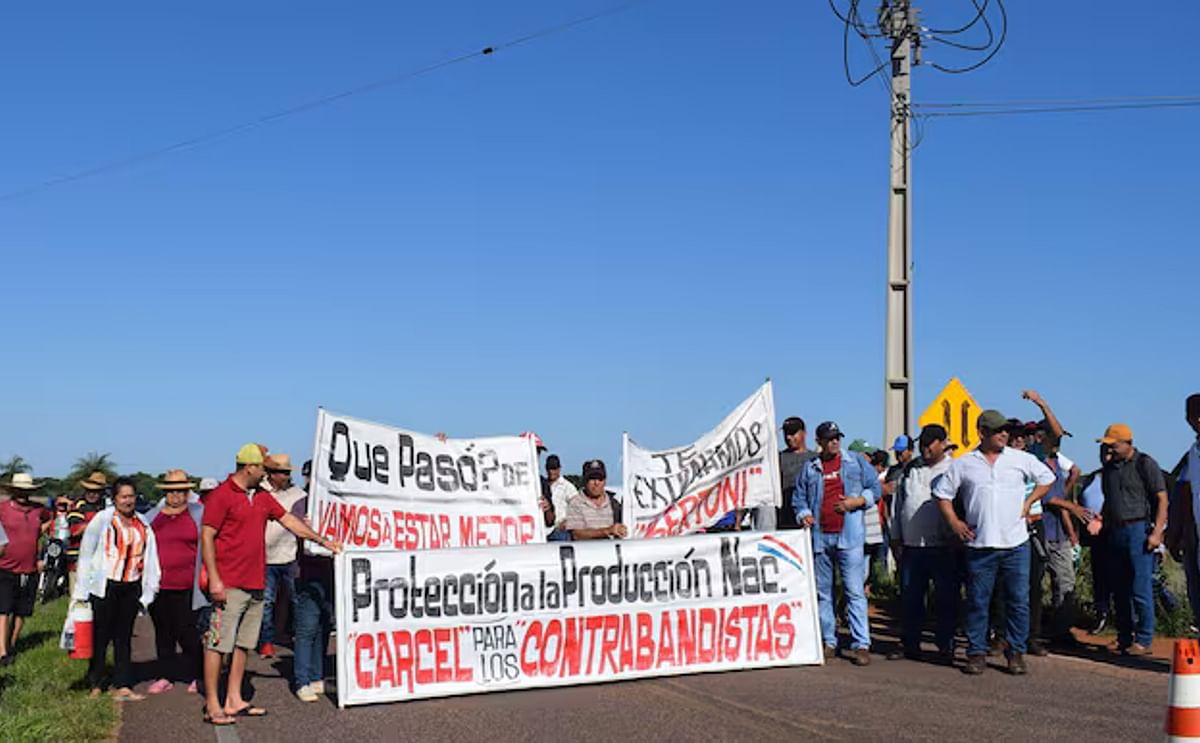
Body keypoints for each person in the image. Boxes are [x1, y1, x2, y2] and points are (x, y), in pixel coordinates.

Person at [200, 444, 342, 726]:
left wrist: (322, 540)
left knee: (243, 645)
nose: (266, 473)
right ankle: (213, 704)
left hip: (255, 580)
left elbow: (290, 521)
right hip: (228, 582)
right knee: (217, 644)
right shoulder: (222, 495)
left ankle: (234, 698)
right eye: (263, 468)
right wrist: (214, 578)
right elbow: (207, 537)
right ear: (249, 467)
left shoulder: (262, 497)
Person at [935, 409, 1054, 676]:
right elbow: (942, 495)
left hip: (1016, 543)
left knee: (1018, 600)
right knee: (978, 600)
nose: (1003, 434)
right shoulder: (965, 463)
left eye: (1005, 431)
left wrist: (1028, 502)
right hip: (980, 545)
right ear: (982, 433)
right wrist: (955, 523)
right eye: (997, 430)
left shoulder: (1020, 459)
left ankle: (1016, 652)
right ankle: (976, 652)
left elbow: (1048, 479)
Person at [793, 421, 881, 666]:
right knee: (824, 594)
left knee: (854, 591)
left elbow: (875, 488)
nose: (834, 442)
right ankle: (829, 641)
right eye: (829, 438)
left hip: (849, 538)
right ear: (819, 442)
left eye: (837, 437)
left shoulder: (855, 461)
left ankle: (861, 643)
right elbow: (799, 498)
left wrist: (857, 501)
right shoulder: (810, 468)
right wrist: (804, 514)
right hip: (820, 538)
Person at [73, 476, 161, 701]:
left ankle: (123, 684)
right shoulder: (102, 520)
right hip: (105, 587)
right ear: (114, 499)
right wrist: (82, 590)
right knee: (100, 636)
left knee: (123, 637)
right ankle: (96, 683)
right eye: (123, 496)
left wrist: (150, 589)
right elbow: (86, 554)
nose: (128, 501)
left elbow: (151, 558)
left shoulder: (143, 523)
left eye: (131, 496)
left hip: (131, 586)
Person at [887, 424, 958, 662]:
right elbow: (898, 505)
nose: (925, 448)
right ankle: (910, 643)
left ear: (942, 443)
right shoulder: (910, 470)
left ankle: (945, 645)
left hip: (942, 547)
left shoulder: (953, 469)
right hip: (912, 546)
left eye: (930, 443)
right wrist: (895, 536)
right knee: (911, 598)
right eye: (922, 443)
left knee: (946, 599)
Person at [1097, 422, 1168, 655]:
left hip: (1138, 528)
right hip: (1115, 531)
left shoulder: (1145, 464)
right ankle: (1124, 636)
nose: (1109, 450)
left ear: (1127, 443)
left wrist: (1157, 532)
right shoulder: (1109, 469)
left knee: (1140, 587)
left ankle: (1145, 638)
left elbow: (1162, 499)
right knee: (1119, 589)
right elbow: (1109, 500)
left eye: (1113, 445)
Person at [145, 470, 207, 695]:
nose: (176, 495)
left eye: (181, 491)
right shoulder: (152, 516)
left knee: (188, 632)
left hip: (188, 584)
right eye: (171, 491)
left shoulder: (199, 514)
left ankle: (198, 674)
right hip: (160, 585)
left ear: (188, 492)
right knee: (163, 631)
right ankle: (166, 675)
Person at [258, 454, 306, 659]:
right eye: (280, 472)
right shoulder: (258, 492)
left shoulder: (298, 494)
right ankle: (266, 641)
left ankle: (297, 639)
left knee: (296, 600)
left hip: (291, 555)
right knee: (266, 602)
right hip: (265, 557)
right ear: (270, 473)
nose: (284, 476)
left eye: (287, 472)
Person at [0, 472, 51, 666]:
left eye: (25, 491)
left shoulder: (38, 510)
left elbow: (50, 519)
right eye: (18, 490)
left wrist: (40, 532)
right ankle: (2, 652)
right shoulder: (3, 509)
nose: (22, 494)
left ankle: (11, 644)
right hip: (5, 565)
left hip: (29, 567)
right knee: (3, 609)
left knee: (22, 611)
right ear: (12, 491)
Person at [290, 480, 334, 702]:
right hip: (308, 574)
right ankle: (302, 680)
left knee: (324, 627)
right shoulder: (301, 505)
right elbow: (298, 534)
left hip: (333, 574)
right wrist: (308, 527)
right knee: (307, 629)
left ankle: (316, 676)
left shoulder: (337, 504)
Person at [1167, 394, 1200, 634]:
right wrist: (1175, 532)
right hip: (1194, 532)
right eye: (1190, 416)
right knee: (1196, 592)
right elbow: (1182, 491)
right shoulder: (1193, 453)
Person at [66, 471, 109, 594]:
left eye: (96, 491)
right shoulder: (78, 505)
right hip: (78, 559)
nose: (92, 494)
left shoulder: (107, 506)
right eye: (89, 490)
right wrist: (98, 523)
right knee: (78, 601)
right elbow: (75, 530)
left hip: (101, 561)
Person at [564, 460, 626, 540]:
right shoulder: (575, 503)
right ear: (585, 481)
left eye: (600, 479)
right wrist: (607, 531)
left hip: (610, 550)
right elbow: (577, 535)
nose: (596, 483)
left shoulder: (614, 504)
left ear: (605, 481)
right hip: (585, 551)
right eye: (592, 479)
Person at [776, 417, 816, 530]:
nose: (788, 437)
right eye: (786, 433)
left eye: (793, 433)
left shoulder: (816, 459)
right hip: (786, 522)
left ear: (804, 433)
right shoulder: (777, 459)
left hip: (811, 521)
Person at [545, 454, 578, 541]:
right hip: (544, 531)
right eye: (549, 468)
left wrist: (568, 522)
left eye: (554, 468)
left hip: (559, 531)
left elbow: (578, 507)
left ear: (559, 469)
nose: (551, 471)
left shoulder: (567, 486)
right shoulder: (542, 485)